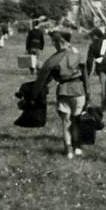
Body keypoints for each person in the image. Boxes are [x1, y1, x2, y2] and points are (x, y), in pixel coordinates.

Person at [34, 29, 88, 159]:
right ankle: (77, 147)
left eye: (55, 42)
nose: (54, 45)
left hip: (63, 91)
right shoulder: (78, 56)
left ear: (59, 43)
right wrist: (88, 92)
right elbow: (85, 76)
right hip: (79, 90)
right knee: (76, 120)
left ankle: (68, 149)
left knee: (66, 122)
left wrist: (37, 91)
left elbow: (45, 78)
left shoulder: (54, 59)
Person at [86, 26, 106, 111]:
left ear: (95, 36)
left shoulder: (92, 45)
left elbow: (89, 60)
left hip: (101, 67)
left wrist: (88, 72)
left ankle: (104, 105)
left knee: (103, 86)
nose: (91, 38)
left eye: (92, 36)